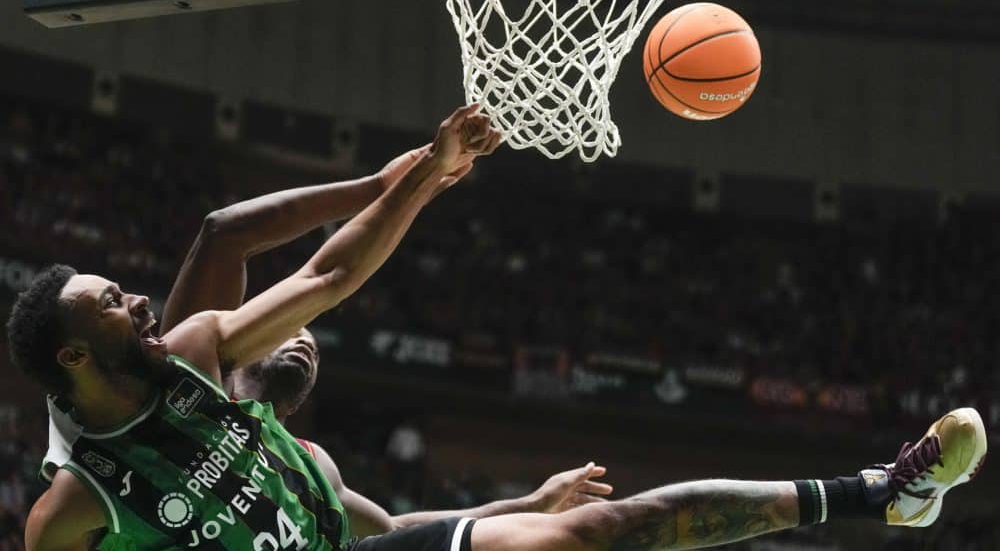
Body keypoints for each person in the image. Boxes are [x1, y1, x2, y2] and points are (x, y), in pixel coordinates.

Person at [6, 105, 989, 550]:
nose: (137, 301)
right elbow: (227, 233)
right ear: (76, 357)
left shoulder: (204, 358)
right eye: (110, 304)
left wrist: (422, 177)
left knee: (597, 528)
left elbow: (328, 272)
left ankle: (877, 493)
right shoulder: (76, 503)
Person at [227, 327, 614, 537]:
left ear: (300, 402)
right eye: (291, 333)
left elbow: (394, 528)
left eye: (313, 347)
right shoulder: (202, 391)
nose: (305, 346)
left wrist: (533, 504)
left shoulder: (313, 464)